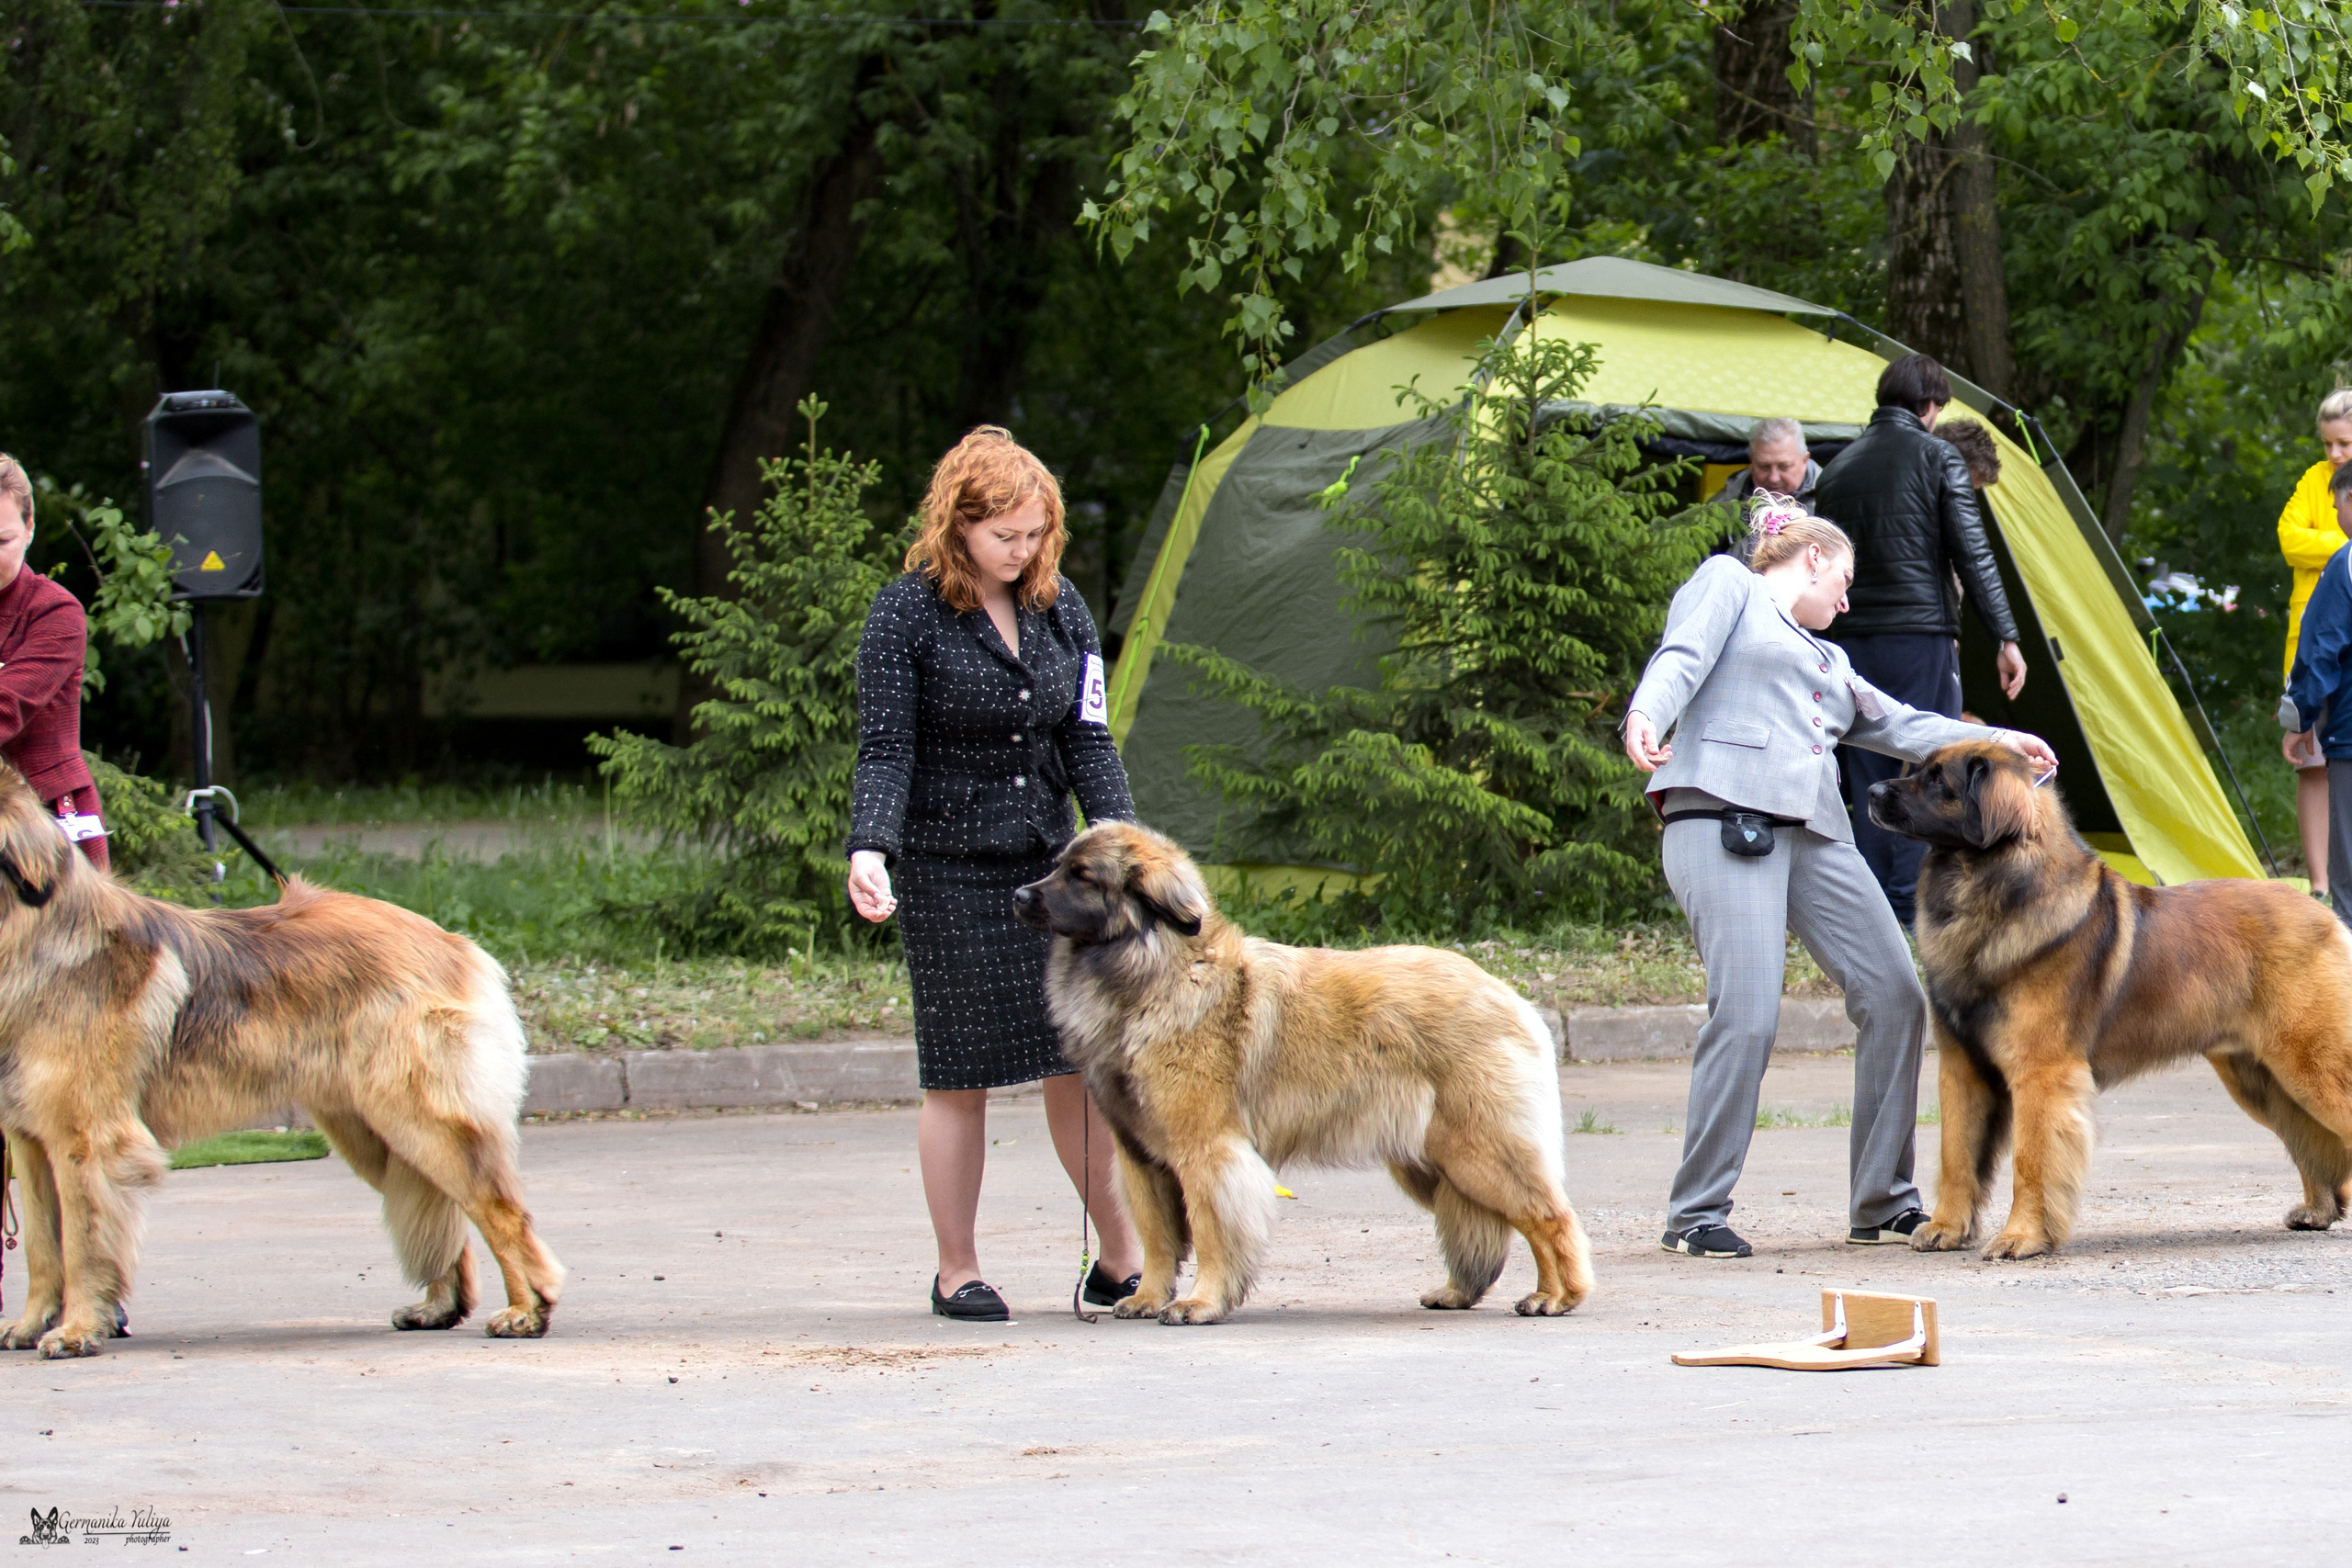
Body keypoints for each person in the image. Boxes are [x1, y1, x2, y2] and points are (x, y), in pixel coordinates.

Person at [1622, 494, 2058, 1259]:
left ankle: (1882, 1201)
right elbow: (1680, 657)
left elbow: (1897, 723)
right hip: (1724, 813)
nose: (1847, 600)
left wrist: (1996, 737)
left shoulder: (1831, 658)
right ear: (1813, 557)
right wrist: (1645, 716)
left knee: (1895, 993)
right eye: (1845, 581)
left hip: (1815, 829)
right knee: (1750, 1014)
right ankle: (1695, 1212)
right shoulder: (1732, 584)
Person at [845, 426, 1143, 1322]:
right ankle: (957, 1270)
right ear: (958, 525)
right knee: (959, 1074)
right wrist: (871, 847)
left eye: (1034, 534)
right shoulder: (905, 615)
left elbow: (1086, 734)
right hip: (946, 872)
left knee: (1077, 1067)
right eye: (1004, 536)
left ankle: (1123, 1258)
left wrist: (1120, 837)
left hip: (1047, 870)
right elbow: (886, 749)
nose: (1022, 552)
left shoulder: (1063, 608)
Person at [1811, 354, 2026, 927]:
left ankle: (1863, 908)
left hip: (1850, 638)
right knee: (1932, 765)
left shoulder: (1836, 467)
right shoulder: (1938, 456)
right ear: (1930, 407)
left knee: (1864, 771)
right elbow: (1971, 552)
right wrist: (2006, 635)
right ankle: (1909, 904)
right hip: (1919, 634)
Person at [0, 456, 107, 871]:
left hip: (49, 818)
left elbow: (6, 708)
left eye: (0, 541)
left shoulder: (56, 612)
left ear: (30, 529)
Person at [2275, 389, 2352, 902]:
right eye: (2327, 444)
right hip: (2312, 650)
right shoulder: (2313, 481)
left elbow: (2325, 647)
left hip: (2328, 666)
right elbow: (2288, 539)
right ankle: (2319, 884)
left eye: (2344, 443)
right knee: (2314, 769)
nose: (2334, 455)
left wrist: (2298, 716)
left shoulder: (2344, 566)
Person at [1715, 417, 1818, 514]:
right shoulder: (1727, 501)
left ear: (1805, 460)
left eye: (1784, 466)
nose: (1773, 478)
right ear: (1752, 460)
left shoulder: (1829, 497)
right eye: (1764, 466)